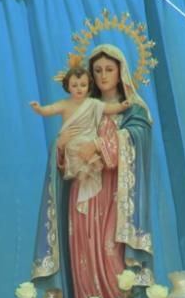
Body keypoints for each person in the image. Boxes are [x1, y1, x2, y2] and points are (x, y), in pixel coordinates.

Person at [31, 44, 155, 298]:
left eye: (109, 69)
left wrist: (100, 146)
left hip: (116, 195)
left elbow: (139, 137)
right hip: (82, 190)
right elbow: (64, 144)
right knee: (83, 248)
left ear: (121, 71)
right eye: (97, 70)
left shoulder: (132, 110)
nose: (103, 75)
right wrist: (62, 148)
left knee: (111, 252)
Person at [29, 66, 131, 215]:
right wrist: (39, 109)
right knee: (73, 148)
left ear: (89, 86)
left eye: (83, 85)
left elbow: (109, 109)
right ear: (67, 86)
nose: (79, 89)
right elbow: (50, 109)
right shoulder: (65, 104)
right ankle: (84, 169)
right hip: (71, 141)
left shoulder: (93, 104)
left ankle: (91, 165)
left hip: (88, 138)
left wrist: (121, 106)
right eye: (75, 85)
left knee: (84, 147)